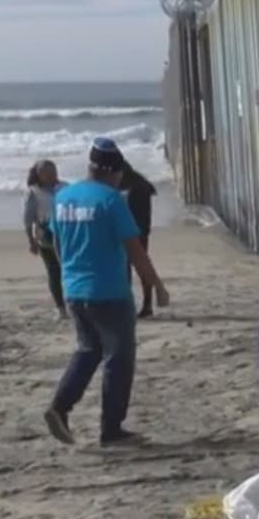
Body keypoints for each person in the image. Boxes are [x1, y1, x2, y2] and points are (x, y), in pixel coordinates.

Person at [43, 137, 170, 447]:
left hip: (74, 290)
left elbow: (56, 244)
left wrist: (70, 274)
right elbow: (135, 250)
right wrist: (156, 285)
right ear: (114, 172)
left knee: (88, 350)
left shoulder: (63, 197)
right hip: (109, 292)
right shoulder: (112, 201)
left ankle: (60, 406)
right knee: (119, 358)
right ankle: (111, 429)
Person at [23, 159, 68, 320]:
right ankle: (60, 308)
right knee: (54, 272)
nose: (52, 174)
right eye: (47, 172)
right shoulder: (33, 192)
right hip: (46, 236)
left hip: (67, 234)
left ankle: (75, 303)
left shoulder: (66, 187)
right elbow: (28, 219)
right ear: (39, 175)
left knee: (70, 271)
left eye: (53, 170)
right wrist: (31, 241)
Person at [120, 165, 158, 318]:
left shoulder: (134, 190)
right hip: (141, 232)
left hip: (133, 233)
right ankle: (146, 305)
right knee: (141, 268)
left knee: (128, 269)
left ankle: (132, 305)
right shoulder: (141, 186)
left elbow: (131, 215)